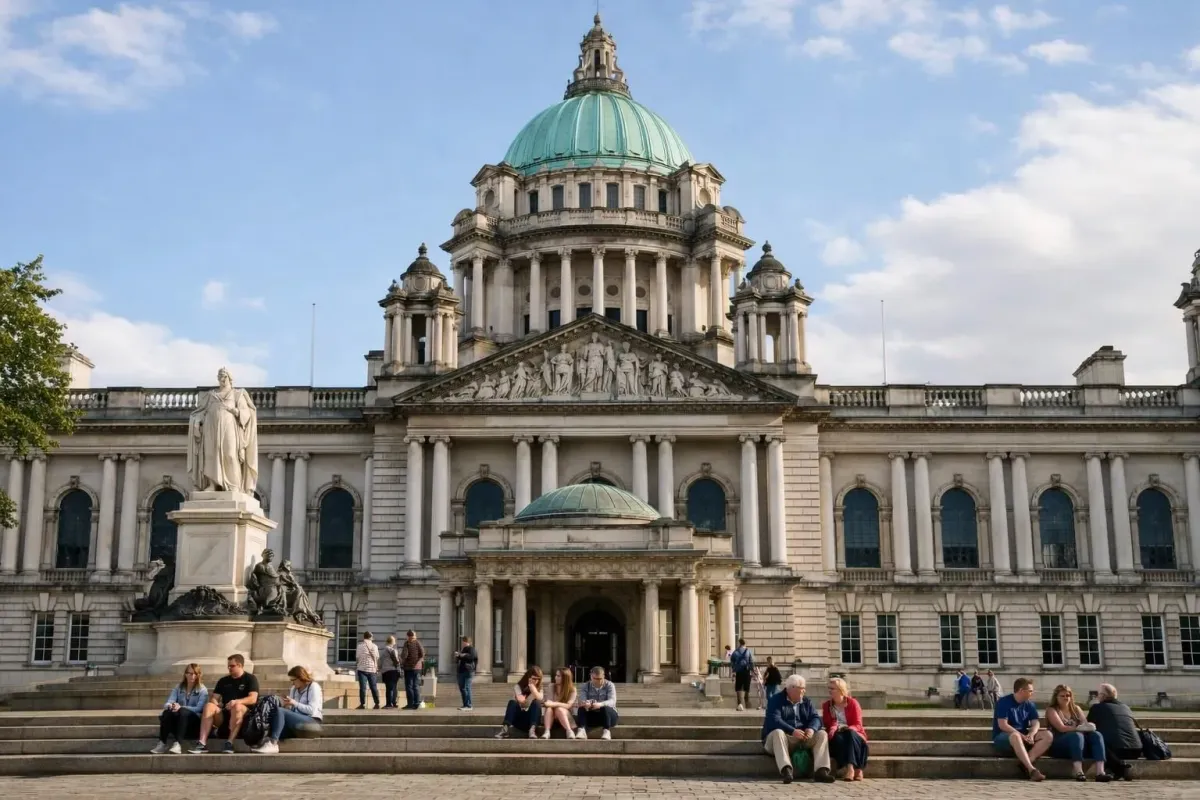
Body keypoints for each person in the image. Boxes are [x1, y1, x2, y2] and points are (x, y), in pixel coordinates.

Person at [761, 674, 835, 784]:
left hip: (801, 738)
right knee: (778, 732)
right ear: (792, 688)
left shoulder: (806, 701)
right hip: (781, 740)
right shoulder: (775, 700)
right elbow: (774, 720)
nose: (804, 691)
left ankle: (821, 771)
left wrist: (811, 729)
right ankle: (787, 770)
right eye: (802, 689)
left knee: (822, 734)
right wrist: (792, 731)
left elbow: (815, 718)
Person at [189, 653, 260, 754]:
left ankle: (229, 743)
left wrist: (236, 701)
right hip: (225, 714)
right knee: (209, 706)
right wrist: (217, 704)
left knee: (237, 707)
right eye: (228, 666)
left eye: (232, 666)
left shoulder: (250, 679)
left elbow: (253, 699)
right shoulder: (223, 681)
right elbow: (214, 698)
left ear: (240, 665)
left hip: (244, 716)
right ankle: (202, 743)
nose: (229, 668)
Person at [250, 665, 324, 754]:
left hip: (312, 723)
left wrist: (294, 703)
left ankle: (273, 744)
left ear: (300, 678)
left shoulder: (313, 686)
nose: (292, 683)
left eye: (293, 680)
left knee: (280, 711)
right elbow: (293, 711)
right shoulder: (294, 689)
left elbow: (311, 710)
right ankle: (266, 741)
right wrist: (287, 705)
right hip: (298, 724)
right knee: (276, 713)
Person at [991, 677, 1053, 781]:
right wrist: (1021, 735)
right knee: (1015, 736)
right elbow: (1003, 725)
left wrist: (1032, 734)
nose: (1032, 693)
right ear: (1021, 691)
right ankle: (1031, 769)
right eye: (1030, 691)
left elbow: (1035, 722)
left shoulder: (1029, 704)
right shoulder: (1003, 702)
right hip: (1004, 736)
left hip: (1023, 736)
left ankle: (1025, 763)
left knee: (1048, 735)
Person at [1045, 684, 1111, 782]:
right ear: (1056, 697)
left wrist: (1089, 727)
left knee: (1097, 735)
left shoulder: (1076, 709)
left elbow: (1085, 725)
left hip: (1079, 744)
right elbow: (1062, 728)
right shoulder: (1052, 710)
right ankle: (1079, 772)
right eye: (1062, 696)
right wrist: (1079, 728)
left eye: (1068, 695)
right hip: (1060, 744)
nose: (1065, 698)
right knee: (1076, 735)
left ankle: (1100, 772)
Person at [1086, 683, 1143, 781]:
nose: (1097, 696)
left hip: (1116, 750)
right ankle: (1118, 769)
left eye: (1098, 694)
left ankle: (1120, 768)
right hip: (1136, 749)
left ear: (1103, 696)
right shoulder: (1126, 707)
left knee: (1094, 739)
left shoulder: (1097, 708)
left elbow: (1089, 727)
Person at [152, 663, 208, 754]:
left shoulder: (202, 690)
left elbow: (199, 708)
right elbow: (168, 702)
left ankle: (178, 743)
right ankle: (162, 743)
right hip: (179, 721)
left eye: (195, 674)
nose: (192, 676)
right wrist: (171, 705)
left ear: (199, 675)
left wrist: (181, 707)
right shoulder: (179, 687)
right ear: (185, 674)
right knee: (167, 712)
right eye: (189, 673)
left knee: (183, 711)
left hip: (194, 724)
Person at [822, 677, 868, 781]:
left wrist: (848, 728)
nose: (830, 691)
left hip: (854, 732)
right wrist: (834, 724)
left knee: (850, 734)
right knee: (839, 739)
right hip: (837, 733)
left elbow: (858, 724)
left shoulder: (853, 703)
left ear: (840, 690)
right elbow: (827, 724)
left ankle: (851, 768)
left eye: (832, 688)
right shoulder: (827, 706)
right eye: (829, 688)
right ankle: (856, 769)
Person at [497, 666, 544, 739]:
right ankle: (505, 729)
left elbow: (540, 697)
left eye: (538, 679)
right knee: (512, 702)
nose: (536, 681)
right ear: (528, 677)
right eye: (534, 679)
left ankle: (532, 730)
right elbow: (522, 702)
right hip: (519, 719)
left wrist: (533, 689)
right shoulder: (518, 686)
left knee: (536, 703)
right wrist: (528, 691)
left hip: (532, 720)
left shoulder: (539, 689)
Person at [575, 666, 619, 740]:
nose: (598, 681)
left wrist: (600, 704)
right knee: (581, 709)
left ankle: (606, 731)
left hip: (608, 716)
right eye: (595, 679)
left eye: (600, 679)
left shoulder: (610, 685)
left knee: (605, 708)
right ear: (591, 677)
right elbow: (582, 699)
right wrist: (587, 703)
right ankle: (581, 730)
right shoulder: (585, 686)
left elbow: (612, 701)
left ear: (604, 676)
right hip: (592, 714)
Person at [541, 667, 577, 739]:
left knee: (559, 709)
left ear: (565, 678)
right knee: (549, 709)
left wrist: (555, 704)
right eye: (556, 675)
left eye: (558, 676)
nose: (555, 677)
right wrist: (553, 704)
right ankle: (547, 731)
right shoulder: (551, 686)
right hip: (552, 716)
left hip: (565, 715)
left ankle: (569, 731)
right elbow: (549, 702)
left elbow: (568, 705)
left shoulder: (572, 689)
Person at [400, 629, 426, 709]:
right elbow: (422, 653)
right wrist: (418, 661)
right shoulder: (418, 643)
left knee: (409, 686)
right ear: (414, 636)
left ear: (408, 636)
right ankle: (417, 703)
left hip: (408, 668)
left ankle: (410, 704)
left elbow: (404, 655)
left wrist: (402, 661)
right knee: (416, 685)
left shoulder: (407, 643)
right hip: (417, 668)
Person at [355, 631, 381, 710]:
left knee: (362, 687)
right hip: (372, 669)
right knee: (373, 687)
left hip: (362, 668)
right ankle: (377, 703)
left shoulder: (360, 646)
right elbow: (377, 657)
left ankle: (362, 704)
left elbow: (357, 657)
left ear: (364, 637)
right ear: (371, 637)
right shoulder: (375, 646)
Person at [730, 638, 755, 712]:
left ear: (739, 643)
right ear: (745, 643)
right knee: (747, 688)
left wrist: (734, 670)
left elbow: (732, 661)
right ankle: (747, 702)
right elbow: (751, 662)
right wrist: (752, 671)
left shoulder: (736, 652)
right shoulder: (748, 651)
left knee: (738, 688)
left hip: (739, 672)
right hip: (746, 671)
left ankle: (739, 704)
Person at [454, 636, 477, 711]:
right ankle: (465, 704)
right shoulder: (463, 650)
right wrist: (458, 656)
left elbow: (471, 658)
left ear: (467, 642)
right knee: (462, 688)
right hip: (461, 671)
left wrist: (463, 655)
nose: (462, 643)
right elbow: (460, 659)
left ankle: (469, 705)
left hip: (468, 671)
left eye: (464, 642)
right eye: (462, 642)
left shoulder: (471, 649)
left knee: (467, 687)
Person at [380, 635, 402, 709]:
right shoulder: (393, 650)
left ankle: (389, 704)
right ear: (393, 642)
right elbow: (397, 661)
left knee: (389, 688)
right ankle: (394, 703)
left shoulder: (384, 650)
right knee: (394, 687)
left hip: (387, 671)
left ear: (387, 641)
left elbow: (381, 661)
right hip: (394, 671)